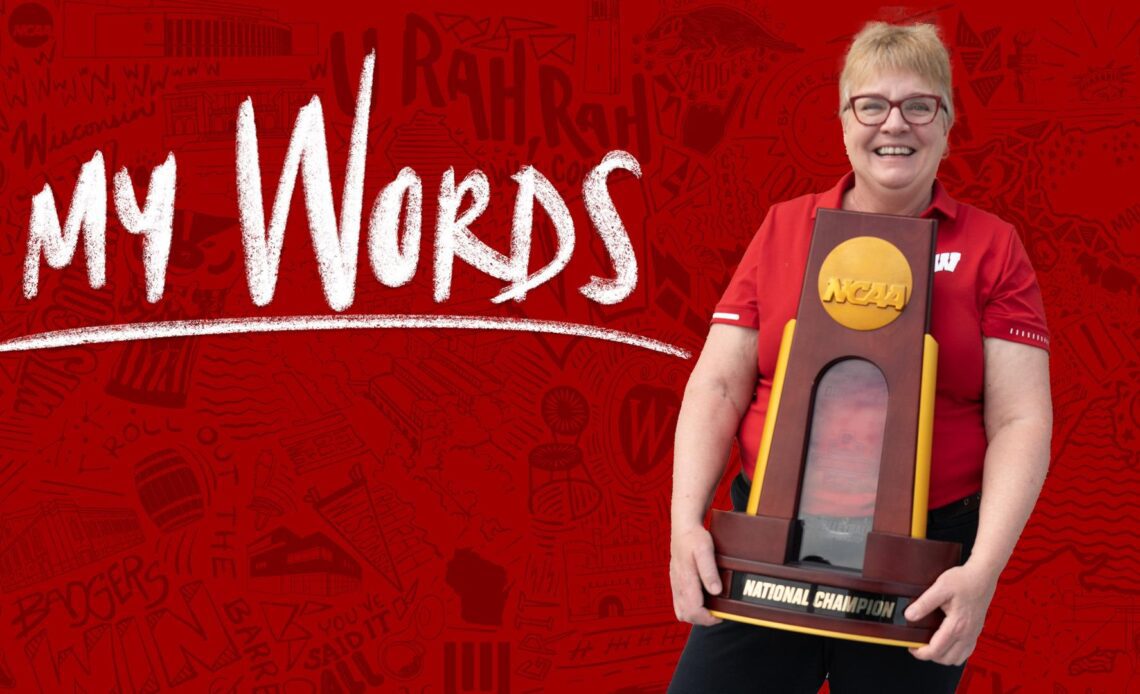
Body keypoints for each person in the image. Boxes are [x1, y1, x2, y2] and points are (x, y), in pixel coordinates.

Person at [668, 21, 1052, 694]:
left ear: (948, 120)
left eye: (919, 104)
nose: (893, 124)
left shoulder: (994, 247)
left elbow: (1020, 420)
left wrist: (982, 570)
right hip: (765, 548)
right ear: (845, 121)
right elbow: (720, 386)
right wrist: (682, 526)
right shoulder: (786, 227)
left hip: (922, 568)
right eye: (871, 104)